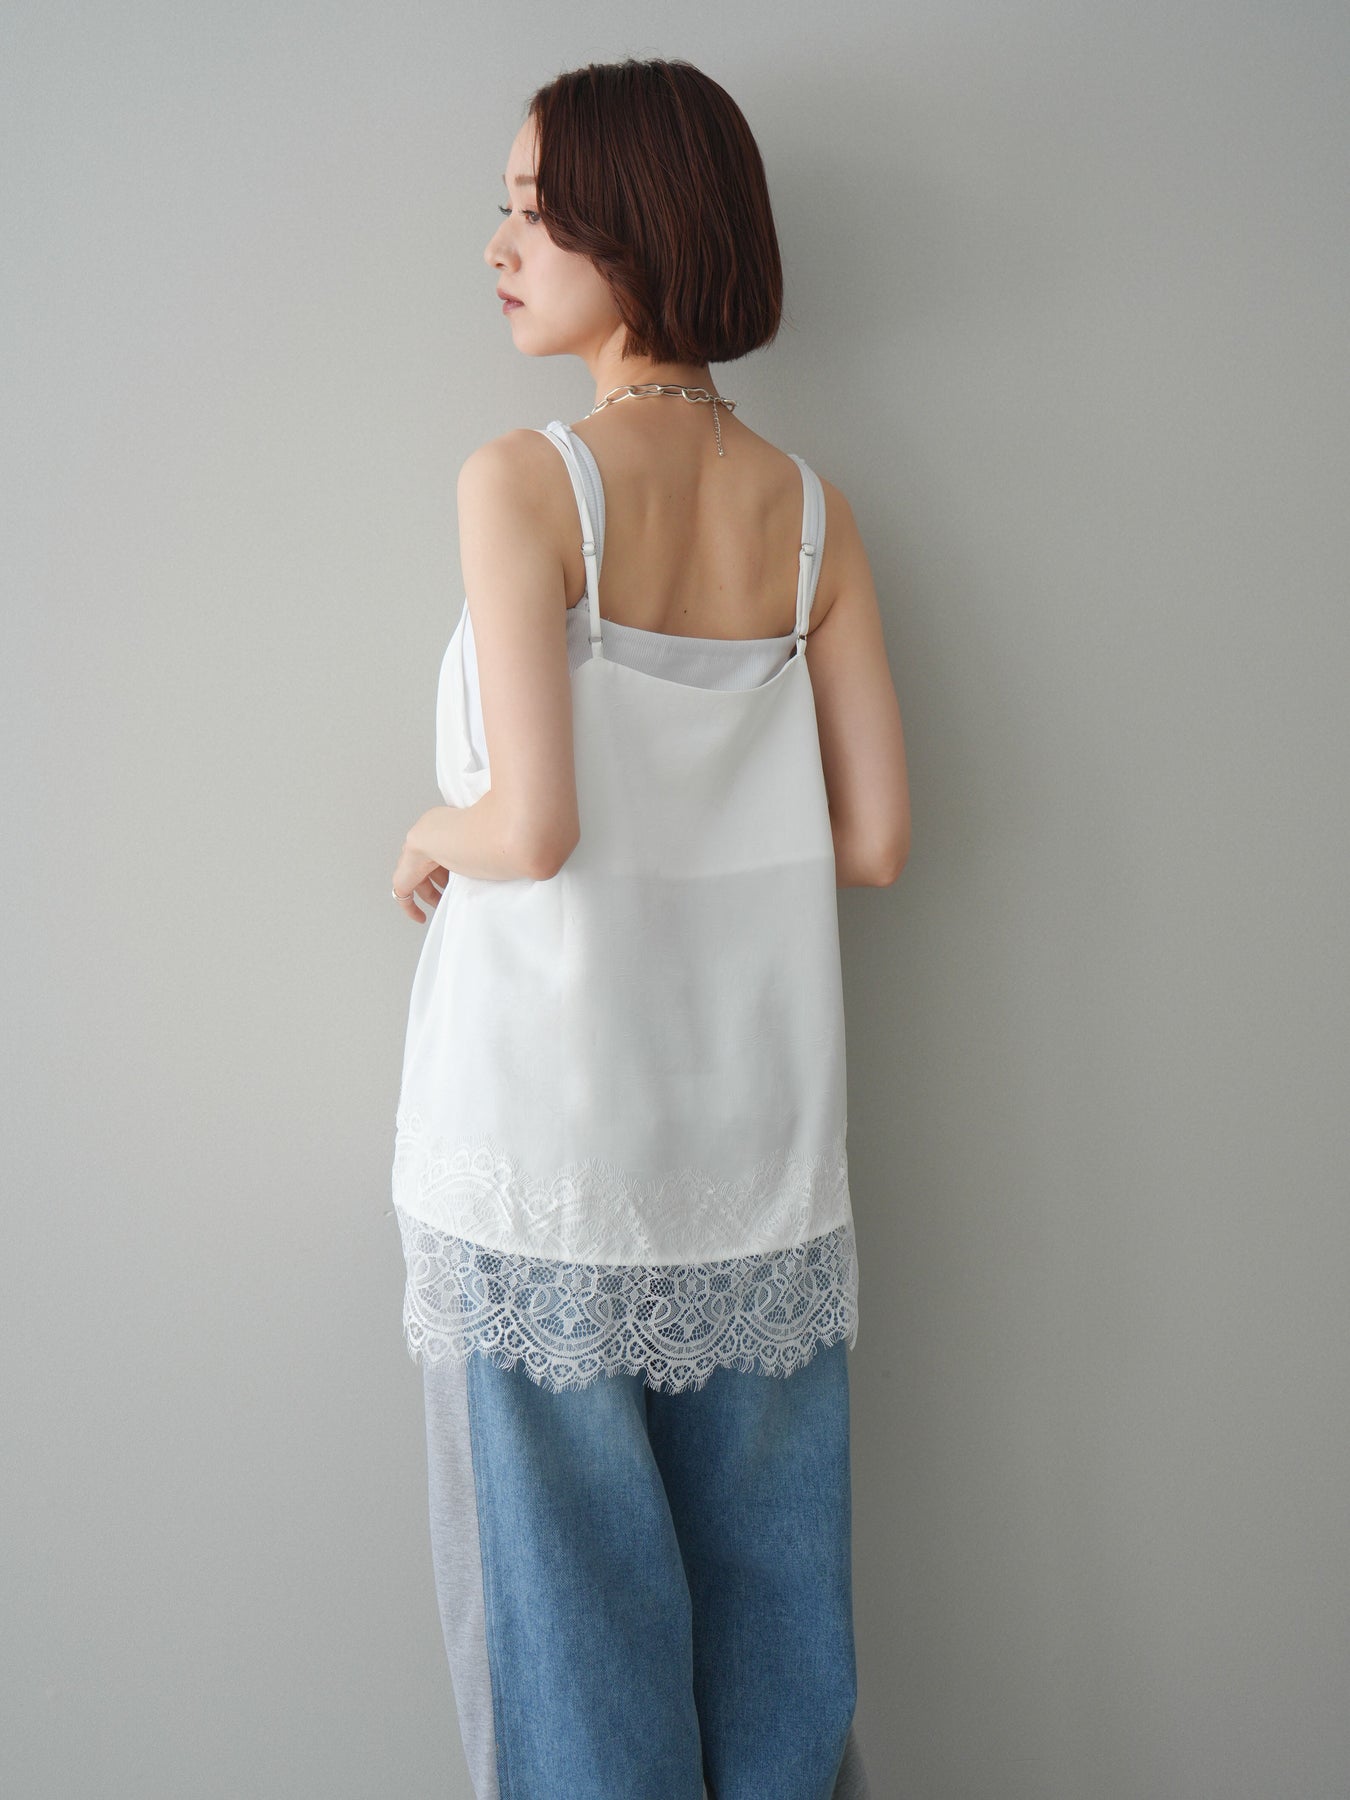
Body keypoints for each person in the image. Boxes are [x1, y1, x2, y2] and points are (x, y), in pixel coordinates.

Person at [388, 57, 910, 1800]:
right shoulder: (810, 515)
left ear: (639, 231)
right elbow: (874, 840)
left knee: (562, 1635)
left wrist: (430, 832)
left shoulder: (523, 481)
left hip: (541, 1142)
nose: (497, 247)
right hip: (756, 1154)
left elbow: (529, 826)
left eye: (534, 214)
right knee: (773, 1642)